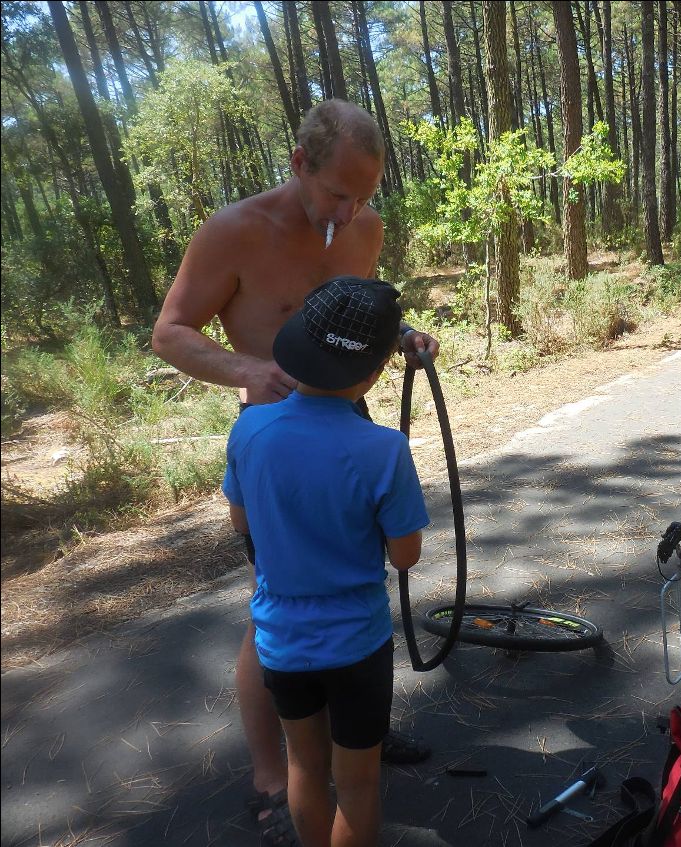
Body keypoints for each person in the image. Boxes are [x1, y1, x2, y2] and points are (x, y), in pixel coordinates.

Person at [151, 99, 437, 842]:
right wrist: (247, 366)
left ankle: (356, 739)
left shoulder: (363, 228)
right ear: (299, 164)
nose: (352, 211)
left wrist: (401, 334)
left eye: (366, 194)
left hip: (346, 423)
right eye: (339, 192)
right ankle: (273, 773)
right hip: (269, 432)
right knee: (275, 601)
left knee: (354, 587)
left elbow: (350, 313)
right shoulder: (234, 230)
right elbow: (169, 331)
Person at [224, 275, 427, 847]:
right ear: (374, 373)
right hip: (357, 642)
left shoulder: (250, 429)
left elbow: (244, 524)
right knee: (357, 783)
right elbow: (406, 556)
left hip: (283, 639)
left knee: (305, 766)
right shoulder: (384, 447)